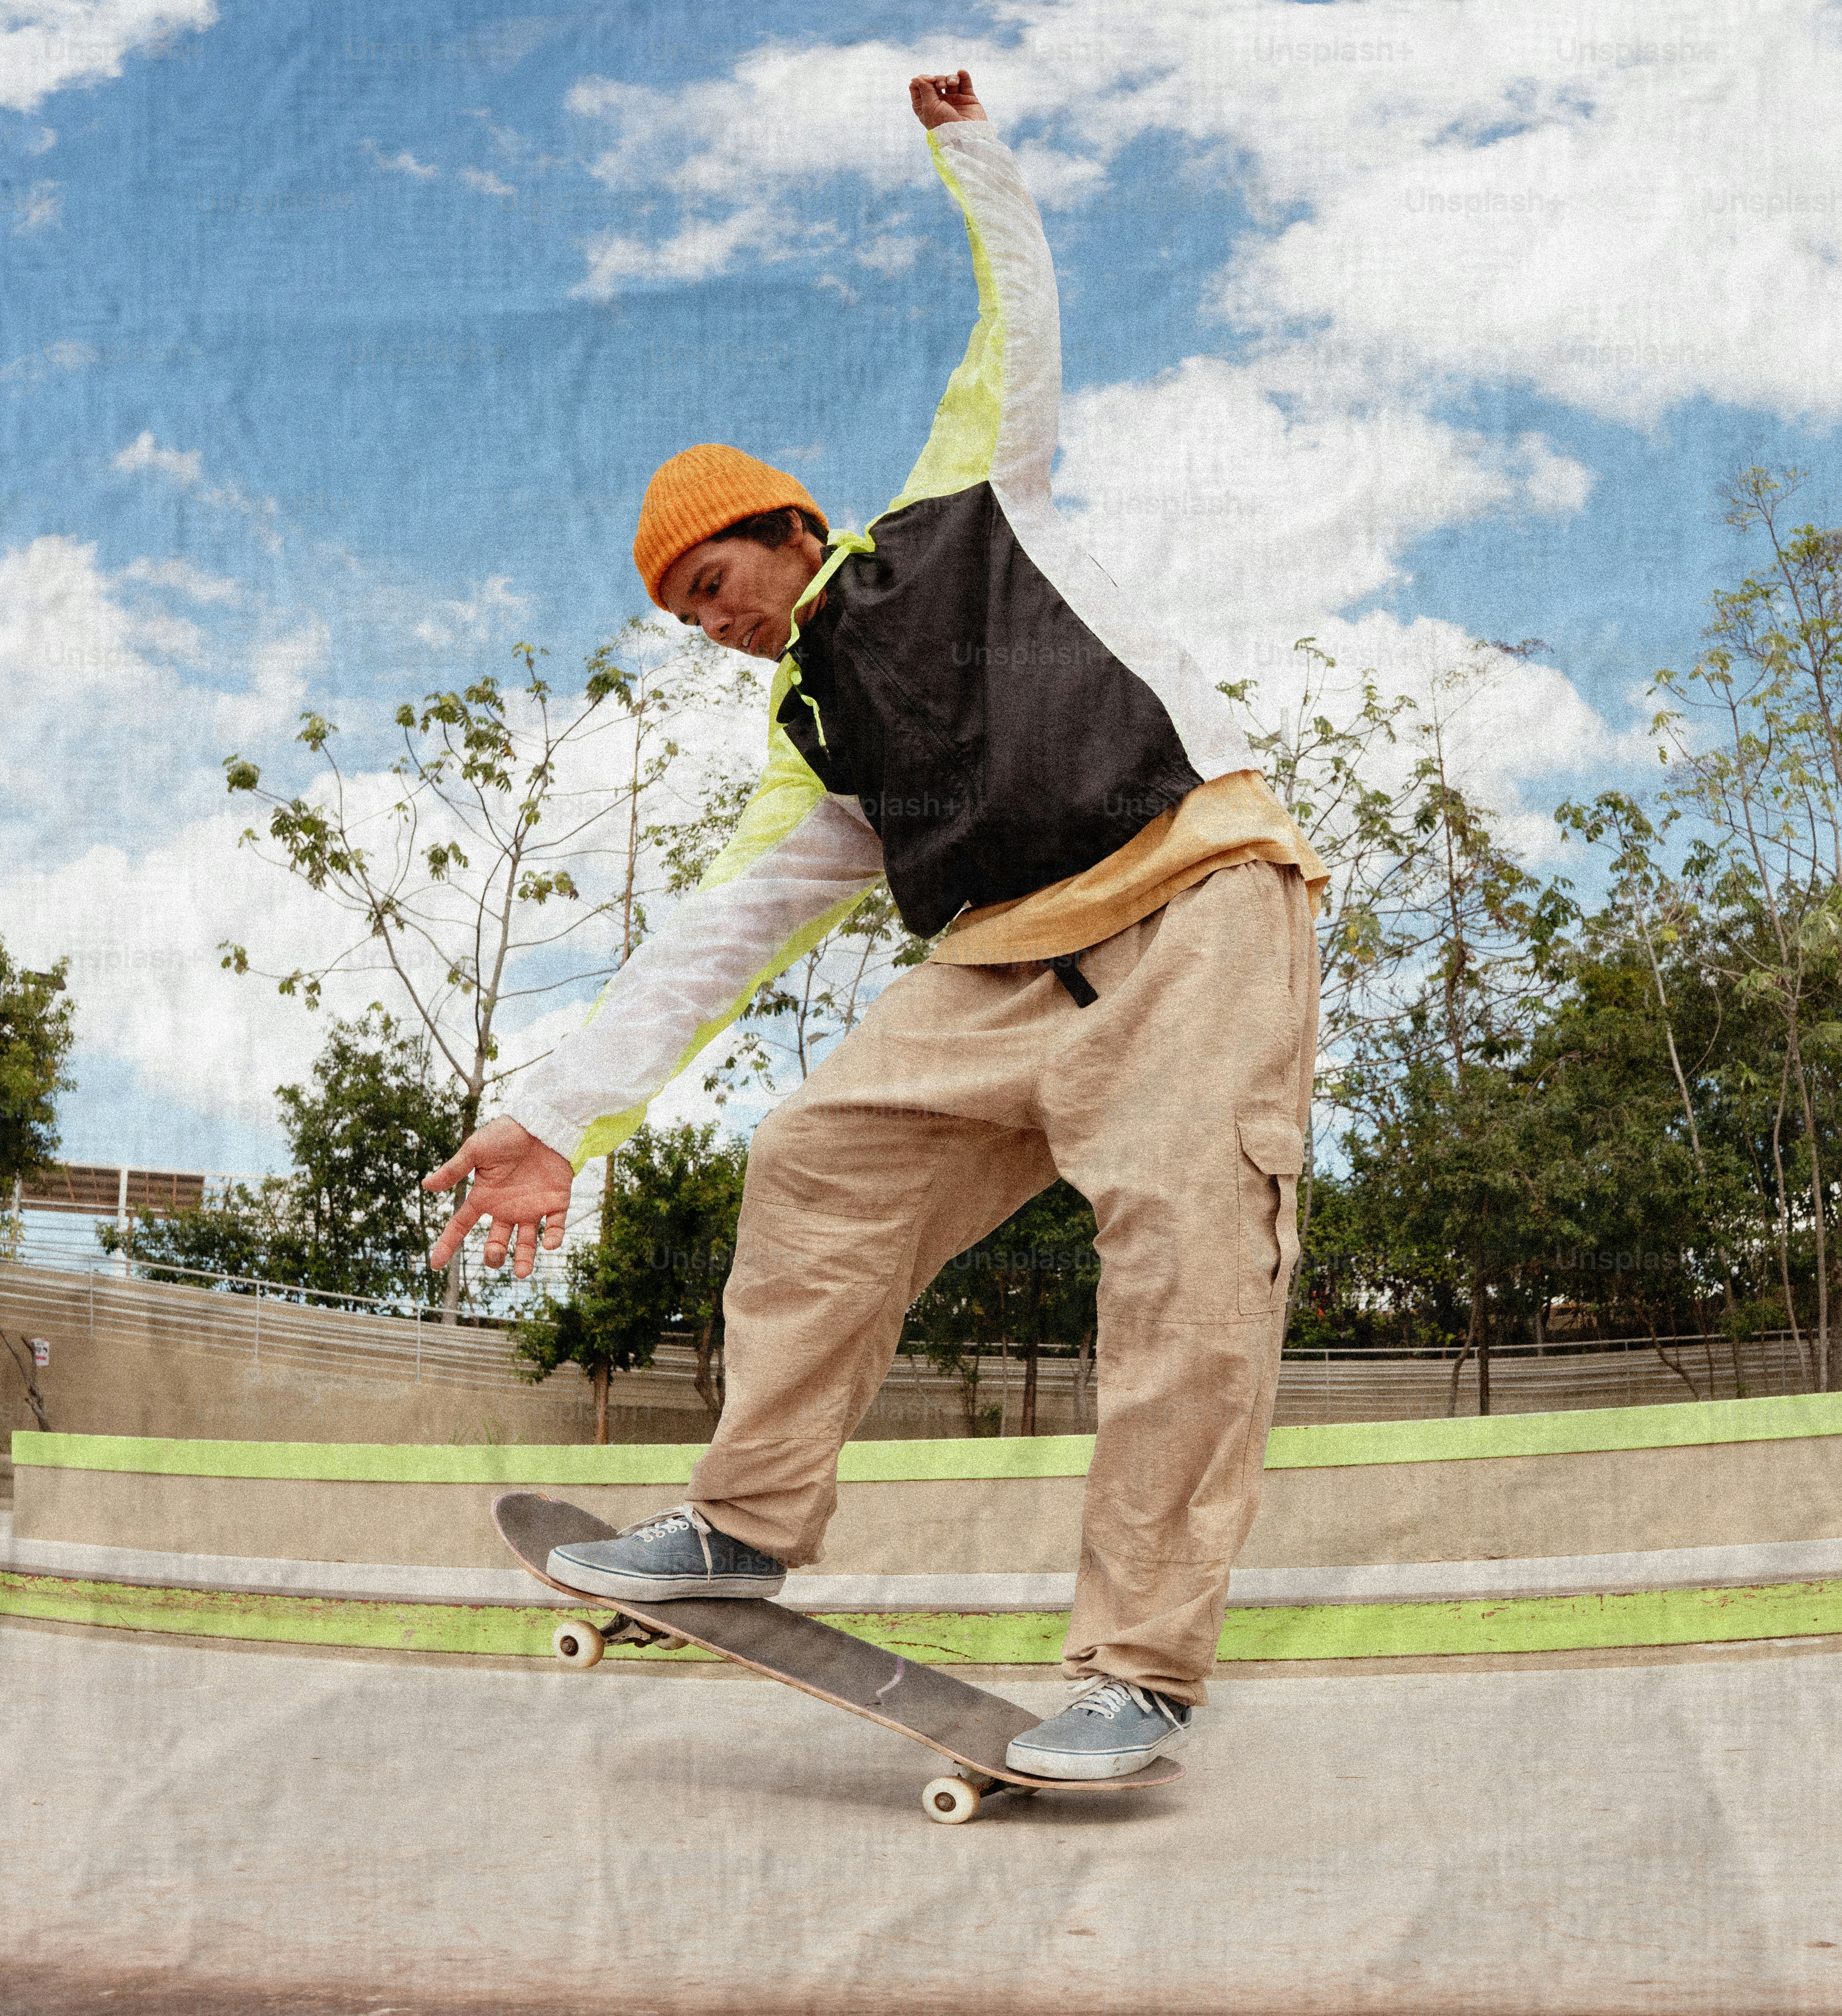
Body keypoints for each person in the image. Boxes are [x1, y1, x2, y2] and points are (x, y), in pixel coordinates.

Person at [424, 69, 1324, 1782]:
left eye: (711, 588)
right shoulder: (813, 739)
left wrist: (969, 154)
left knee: (1188, 1272)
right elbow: (719, 931)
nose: (711, 629)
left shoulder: (973, 507)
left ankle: (1138, 1666)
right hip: (1002, 967)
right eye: (681, 619)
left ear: (787, 528)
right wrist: (555, 1115)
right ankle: (742, 1523)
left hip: (1200, 902)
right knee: (820, 1149)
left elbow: (1018, 314)